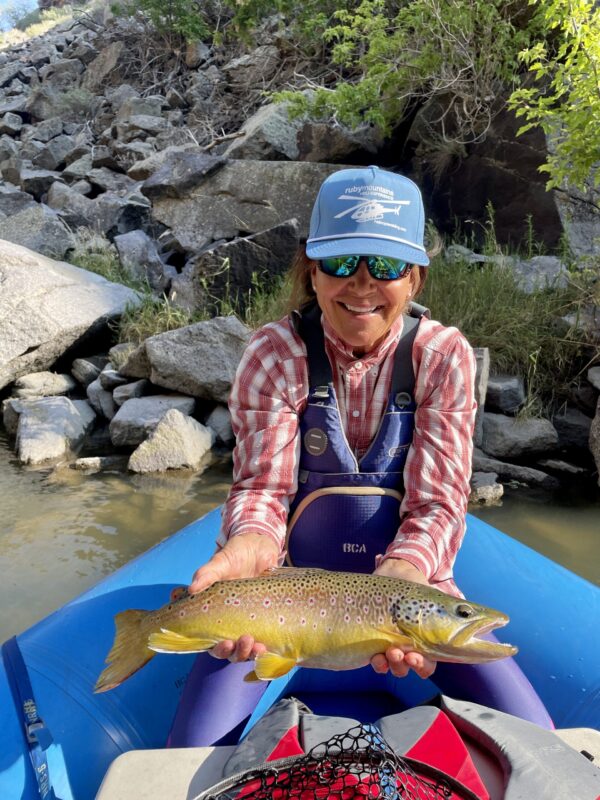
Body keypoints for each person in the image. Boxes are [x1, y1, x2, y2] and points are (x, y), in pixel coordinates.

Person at [168, 166, 552, 747]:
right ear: (312, 271)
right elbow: (263, 491)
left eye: (388, 266)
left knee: (540, 747)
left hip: (412, 592)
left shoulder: (444, 357)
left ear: (415, 279)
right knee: (187, 755)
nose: (363, 284)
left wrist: (402, 580)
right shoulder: (274, 354)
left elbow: (439, 504)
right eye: (342, 263)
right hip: (280, 592)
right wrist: (248, 544)